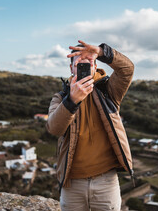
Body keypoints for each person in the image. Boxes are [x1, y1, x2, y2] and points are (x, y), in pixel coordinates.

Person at [46, 40, 134, 210]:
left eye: (90, 63)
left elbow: (127, 69)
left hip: (106, 181)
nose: (85, 67)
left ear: (95, 67)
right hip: (72, 183)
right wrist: (71, 101)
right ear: (72, 68)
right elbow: (54, 128)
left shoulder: (108, 90)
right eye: (79, 64)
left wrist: (101, 52)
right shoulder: (61, 97)